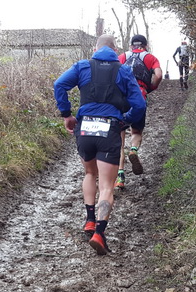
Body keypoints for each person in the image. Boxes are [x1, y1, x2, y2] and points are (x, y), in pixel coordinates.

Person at [53, 34, 146, 255]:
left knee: (89, 174)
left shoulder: (82, 66)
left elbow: (59, 85)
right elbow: (140, 104)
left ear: (96, 48)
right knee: (106, 185)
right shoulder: (123, 71)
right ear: (115, 49)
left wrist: (66, 114)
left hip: (84, 127)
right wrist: (125, 120)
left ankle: (90, 220)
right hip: (109, 128)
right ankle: (100, 235)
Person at [115, 34, 163, 190]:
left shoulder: (122, 57)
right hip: (139, 96)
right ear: (145, 45)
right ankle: (134, 150)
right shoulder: (150, 58)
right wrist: (151, 87)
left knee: (119, 140)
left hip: (121, 98)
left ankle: (120, 177)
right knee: (136, 131)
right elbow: (159, 75)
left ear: (131, 46)